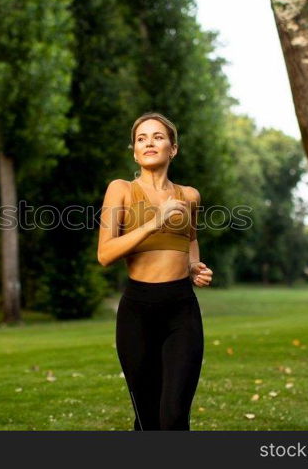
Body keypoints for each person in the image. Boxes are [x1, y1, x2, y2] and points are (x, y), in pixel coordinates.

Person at [97, 112, 214, 430]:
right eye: (141, 138)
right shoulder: (120, 190)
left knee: (174, 417)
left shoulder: (188, 196)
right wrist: (153, 222)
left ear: (173, 149)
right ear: (134, 151)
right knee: (148, 421)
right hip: (138, 313)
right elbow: (105, 253)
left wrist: (193, 267)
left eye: (158, 136)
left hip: (181, 311)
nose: (149, 142)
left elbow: (190, 239)